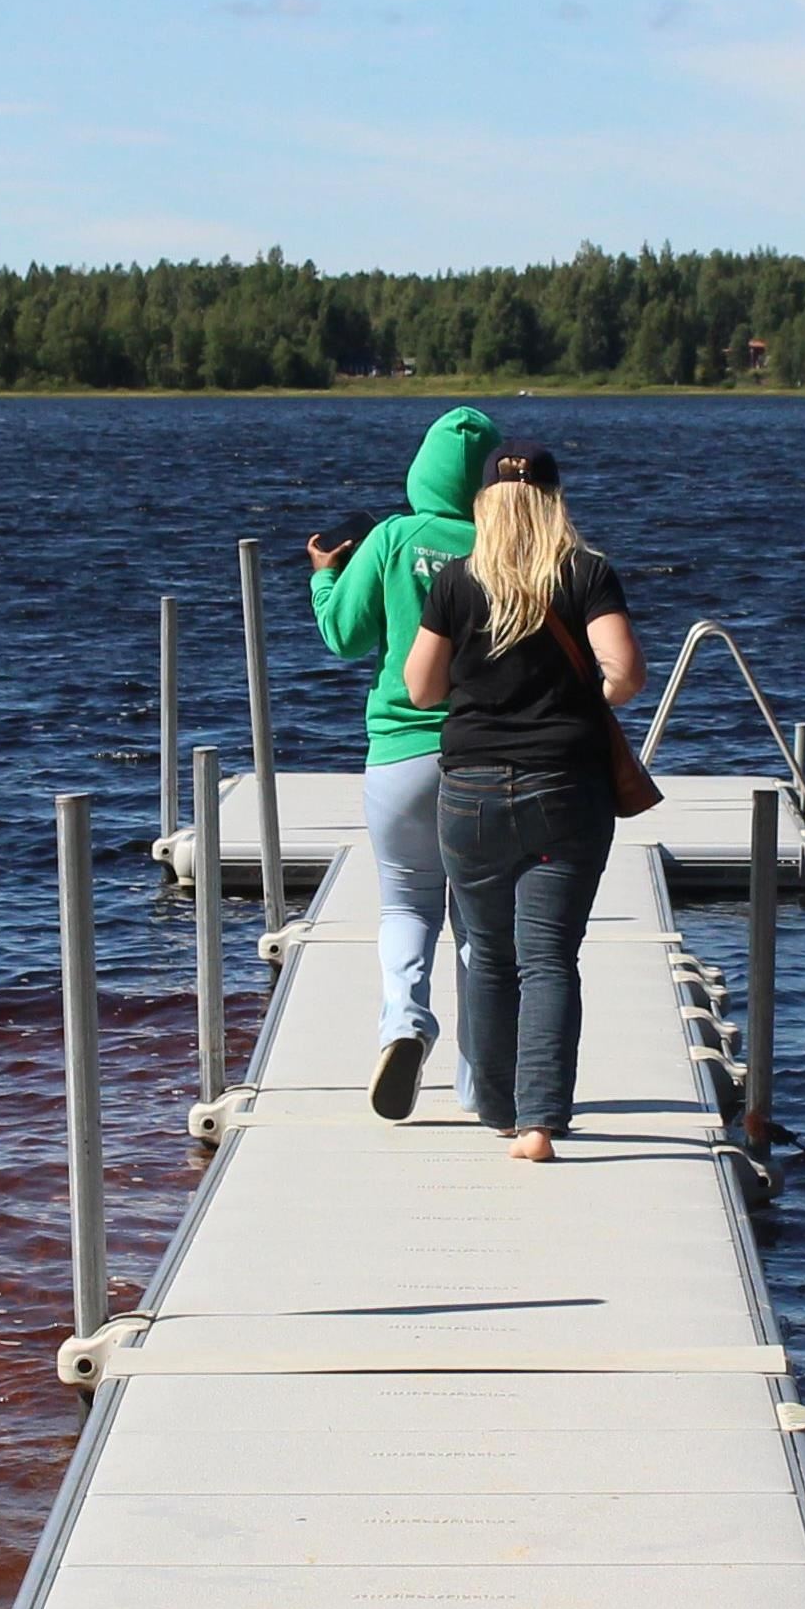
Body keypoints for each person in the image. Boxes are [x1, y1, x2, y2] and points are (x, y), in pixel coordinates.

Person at [401, 446, 641, 1161]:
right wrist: (571, 706)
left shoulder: (456, 581)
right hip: (565, 785)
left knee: (487, 954)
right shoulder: (586, 572)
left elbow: (420, 689)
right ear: (553, 499)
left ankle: (498, 1112)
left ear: (485, 504)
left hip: (470, 788)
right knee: (549, 959)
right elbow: (623, 675)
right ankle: (539, 1125)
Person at [304, 404, 494, 1121]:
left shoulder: (391, 536)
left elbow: (344, 638)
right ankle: (480, 1085)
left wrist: (325, 577)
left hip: (400, 754)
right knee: (482, 923)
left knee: (406, 903)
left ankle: (404, 1025)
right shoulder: (507, 545)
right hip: (488, 756)